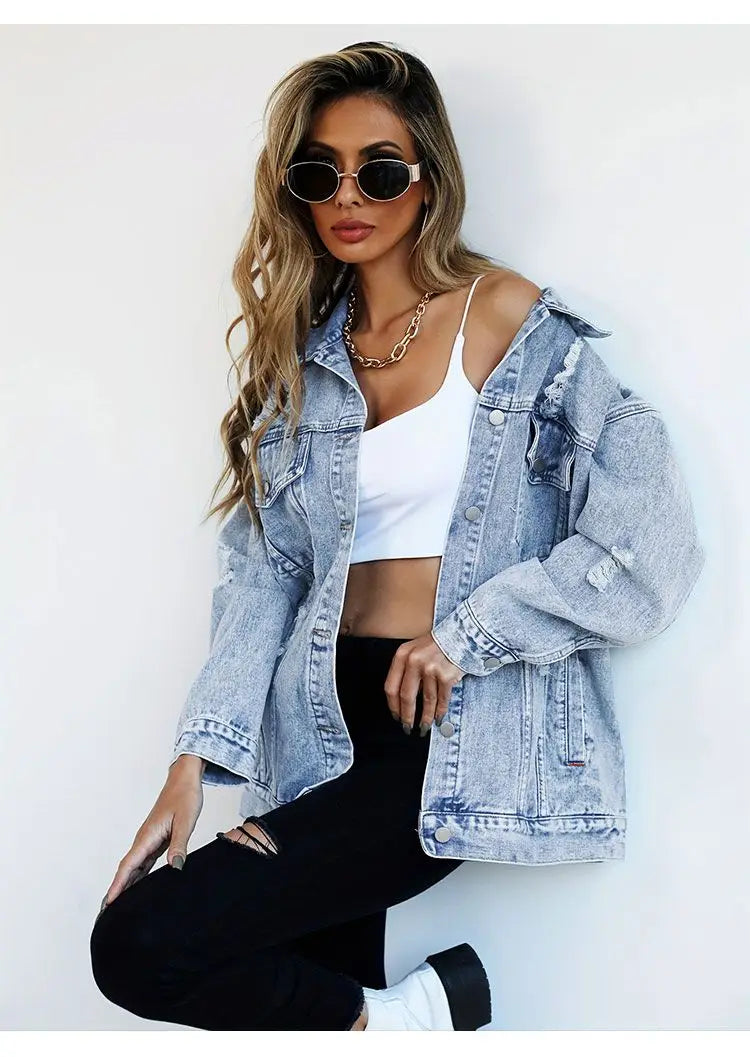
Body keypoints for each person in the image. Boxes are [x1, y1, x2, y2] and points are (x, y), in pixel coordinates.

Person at [89, 41, 705, 1031]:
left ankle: (413, 1018)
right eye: (318, 172)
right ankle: (402, 1023)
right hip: (316, 725)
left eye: (377, 171)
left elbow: (652, 539)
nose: (348, 195)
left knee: (140, 943)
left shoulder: (503, 320)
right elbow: (266, 575)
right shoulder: (304, 364)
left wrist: (470, 633)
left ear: (427, 181)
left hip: (446, 726)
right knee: (300, 1006)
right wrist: (195, 759)